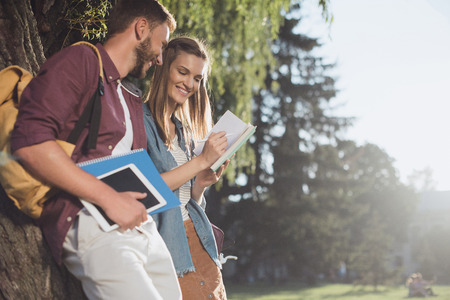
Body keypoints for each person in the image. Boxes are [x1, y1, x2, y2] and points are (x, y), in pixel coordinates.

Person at [10, 1, 181, 299]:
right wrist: (109, 198)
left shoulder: (128, 96)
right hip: (94, 225)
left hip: (142, 231)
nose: (159, 59)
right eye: (161, 45)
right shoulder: (82, 59)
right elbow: (30, 143)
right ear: (141, 28)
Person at [143, 36, 229, 299]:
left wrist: (200, 184)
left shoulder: (182, 132)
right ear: (164, 67)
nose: (190, 84)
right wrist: (200, 162)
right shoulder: (139, 122)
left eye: (197, 78)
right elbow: (146, 191)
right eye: (183, 72)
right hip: (173, 251)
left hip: (201, 243)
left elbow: (184, 201)